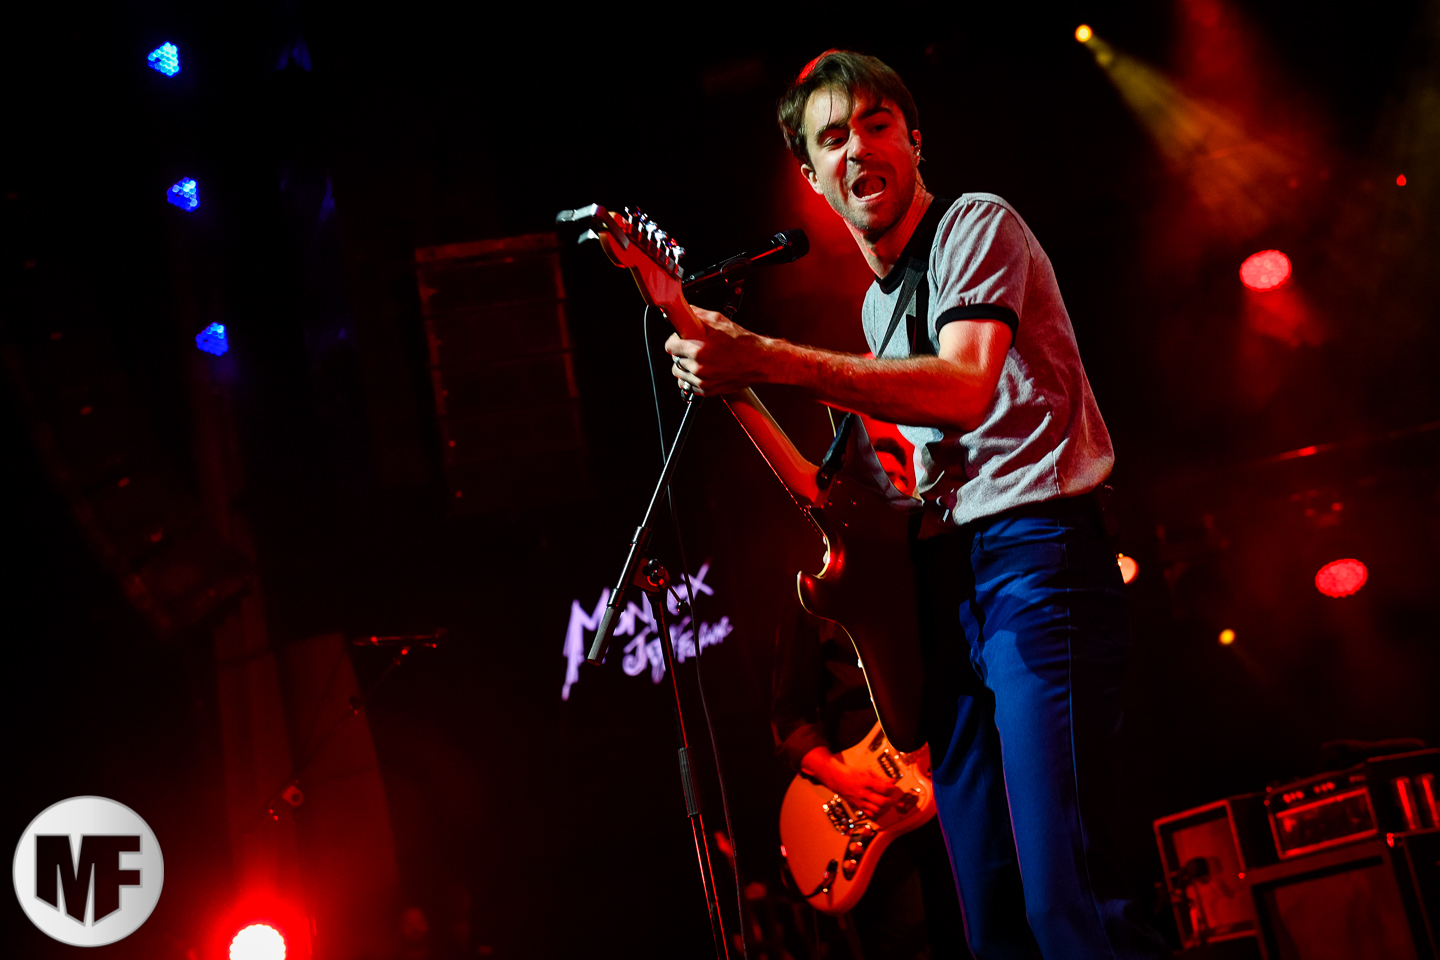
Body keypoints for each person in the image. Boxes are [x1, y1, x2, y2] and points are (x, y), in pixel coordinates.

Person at [667, 51, 1169, 959]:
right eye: (833, 138)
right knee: (990, 915)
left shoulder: (975, 225)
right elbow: (847, 496)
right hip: (946, 586)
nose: (858, 148)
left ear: (914, 140)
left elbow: (966, 388)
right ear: (812, 179)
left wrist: (765, 356)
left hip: (1035, 554)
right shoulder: (874, 311)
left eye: (876, 125)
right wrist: (732, 384)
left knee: (1070, 897)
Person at [771, 420, 968, 960]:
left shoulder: (944, 577)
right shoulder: (817, 595)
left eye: (900, 479)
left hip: (949, 791)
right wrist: (844, 778)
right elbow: (789, 715)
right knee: (904, 941)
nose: (892, 491)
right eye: (877, 481)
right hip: (870, 810)